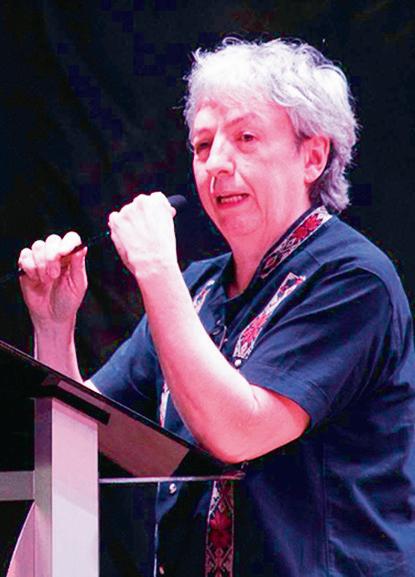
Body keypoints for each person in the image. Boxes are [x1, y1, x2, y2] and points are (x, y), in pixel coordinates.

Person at [18, 38, 415, 577]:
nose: (217, 165)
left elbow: (237, 435)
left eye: (246, 138)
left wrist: (155, 269)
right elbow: (81, 439)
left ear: (313, 156)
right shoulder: (196, 288)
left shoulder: (354, 279)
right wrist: (54, 325)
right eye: (202, 146)